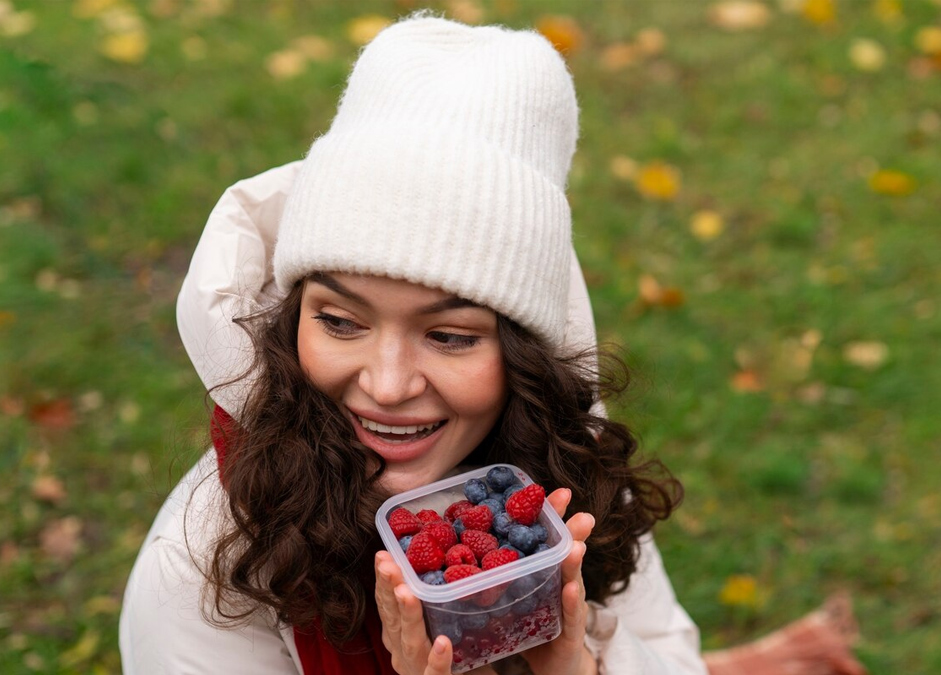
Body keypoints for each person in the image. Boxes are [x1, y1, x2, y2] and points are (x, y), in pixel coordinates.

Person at [120, 14, 709, 675]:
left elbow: (675, 654)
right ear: (292, 321)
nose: (389, 384)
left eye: (450, 335)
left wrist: (579, 666)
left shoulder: (568, 481)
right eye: (341, 321)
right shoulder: (203, 571)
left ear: (525, 358)